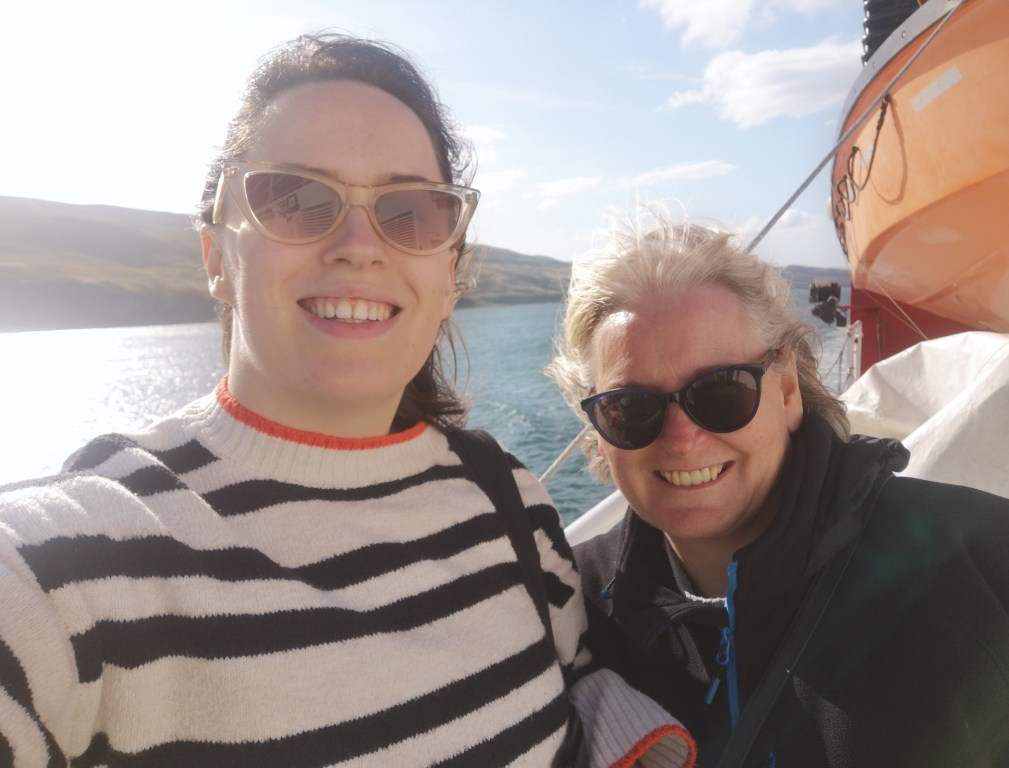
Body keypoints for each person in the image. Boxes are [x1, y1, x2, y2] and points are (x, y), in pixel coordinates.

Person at [0, 34, 696, 767]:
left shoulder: (508, 502)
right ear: (215, 256)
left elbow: (577, 683)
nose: (360, 244)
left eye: (411, 212)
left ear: (449, 275)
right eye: (293, 199)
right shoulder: (67, 566)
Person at [548, 214, 1009, 767]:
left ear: (788, 390)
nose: (681, 442)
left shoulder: (986, 563)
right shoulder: (566, 608)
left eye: (721, 391)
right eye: (630, 408)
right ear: (598, 430)